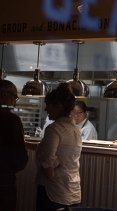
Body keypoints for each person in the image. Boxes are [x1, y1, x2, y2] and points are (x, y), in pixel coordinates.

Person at [35, 83, 82, 211]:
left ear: (58, 107)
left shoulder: (54, 129)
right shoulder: (75, 129)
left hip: (54, 191)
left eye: (48, 105)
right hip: (73, 190)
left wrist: (50, 165)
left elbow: (47, 165)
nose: (45, 109)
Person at [0, 79, 28, 211]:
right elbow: (20, 159)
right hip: (3, 181)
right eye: (14, 96)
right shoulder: (12, 120)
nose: (15, 100)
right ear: (4, 95)